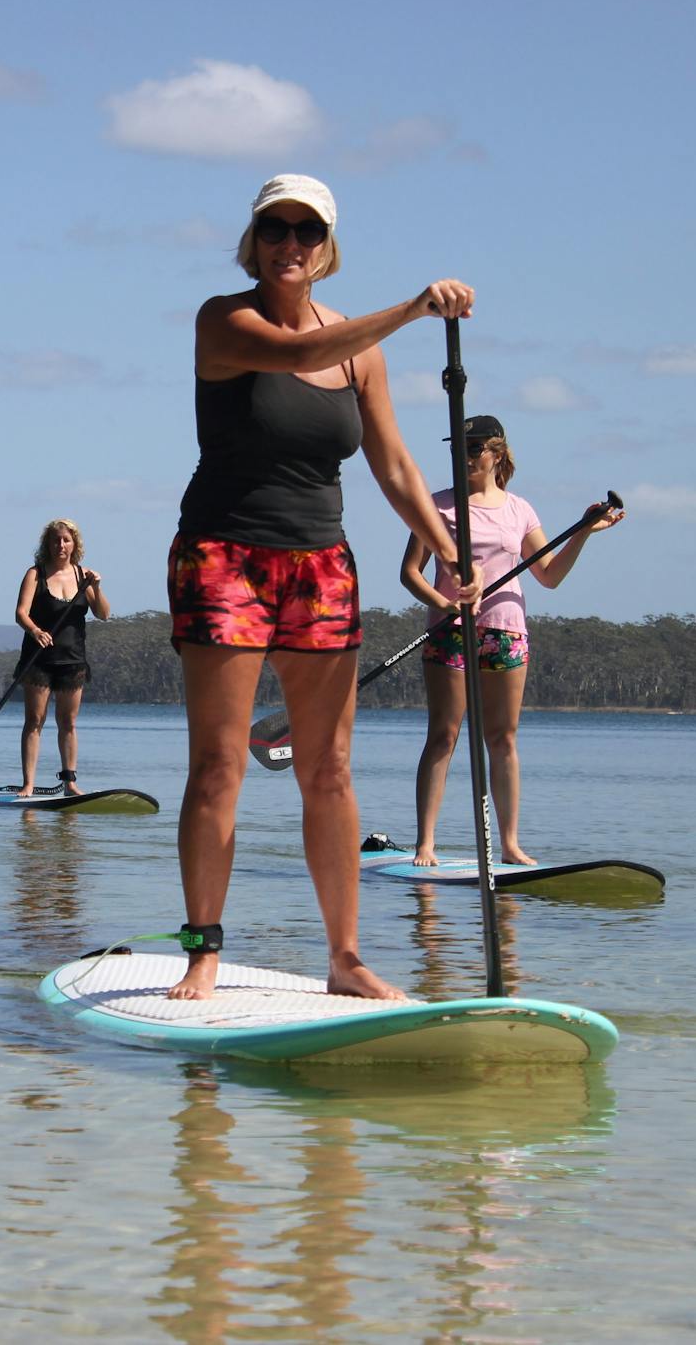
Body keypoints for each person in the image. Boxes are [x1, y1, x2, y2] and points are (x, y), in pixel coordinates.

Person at [167, 173, 480, 1002]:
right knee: (219, 766)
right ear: (254, 240)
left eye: (307, 231)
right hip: (223, 556)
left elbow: (397, 466)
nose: (290, 245)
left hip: (321, 566)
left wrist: (450, 551)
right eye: (276, 229)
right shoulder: (221, 320)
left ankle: (345, 959)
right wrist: (414, 309)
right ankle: (204, 951)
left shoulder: (361, 353)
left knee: (331, 769)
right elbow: (300, 354)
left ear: (327, 246)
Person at [401, 414, 625, 867]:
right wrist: (445, 604)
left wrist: (582, 532)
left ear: (497, 453)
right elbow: (410, 573)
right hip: (451, 631)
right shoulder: (437, 507)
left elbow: (549, 576)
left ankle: (509, 844)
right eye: (457, 449)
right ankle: (426, 843)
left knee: (502, 739)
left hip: (505, 631)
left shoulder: (520, 510)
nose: (464, 457)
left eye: (473, 449)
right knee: (443, 735)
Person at [13, 519, 110, 796]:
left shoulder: (83, 576)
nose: (61, 545)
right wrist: (35, 631)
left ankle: (70, 783)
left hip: (73, 660)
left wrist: (97, 587)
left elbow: (103, 614)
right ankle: (28, 784)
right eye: (55, 540)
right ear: (47, 544)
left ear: (74, 544)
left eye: (66, 540)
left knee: (68, 723)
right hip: (39, 660)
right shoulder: (35, 574)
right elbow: (21, 613)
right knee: (35, 720)